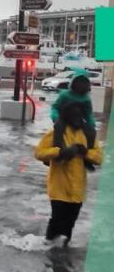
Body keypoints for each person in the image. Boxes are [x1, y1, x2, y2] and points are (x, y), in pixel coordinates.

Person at [34, 100, 103, 245]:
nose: (77, 118)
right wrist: (60, 152)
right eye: (74, 115)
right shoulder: (56, 133)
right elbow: (39, 153)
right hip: (59, 189)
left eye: (80, 115)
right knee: (56, 222)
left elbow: (99, 157)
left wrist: (86, 153)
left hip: (77, 192)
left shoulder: (88, 134)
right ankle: (49, 251)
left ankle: (62, 253)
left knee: (68, 227)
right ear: (67, 116)